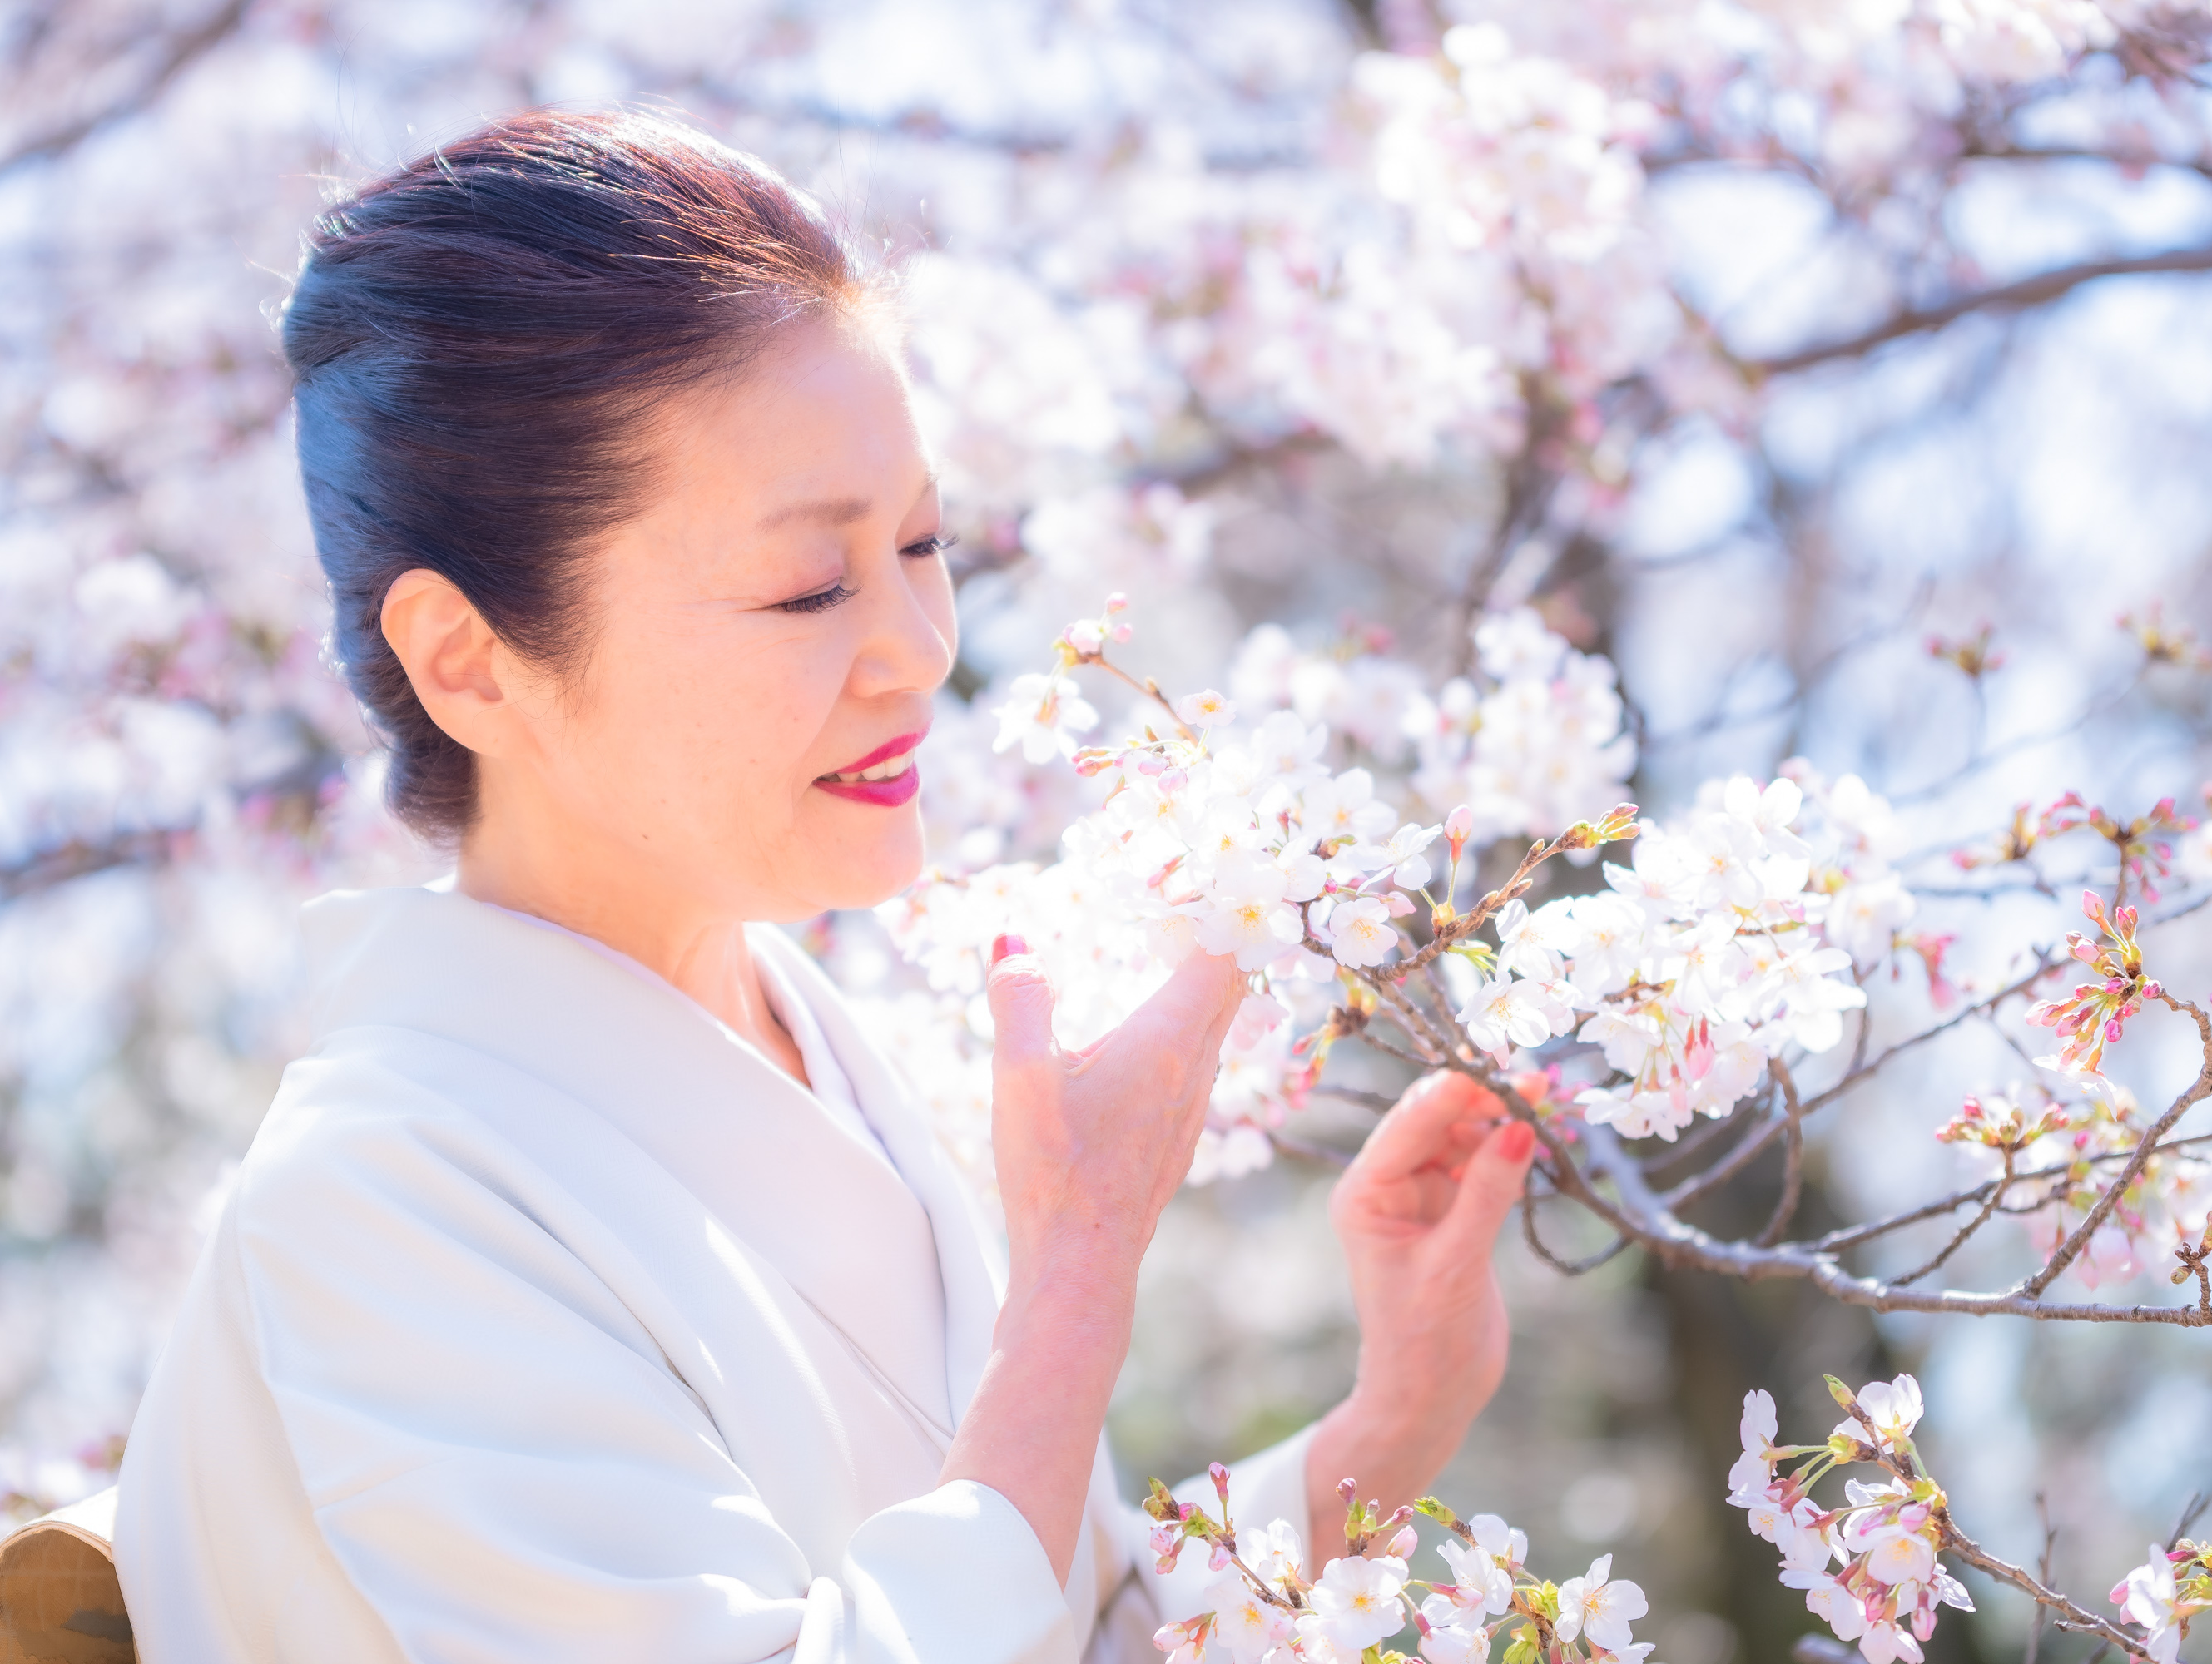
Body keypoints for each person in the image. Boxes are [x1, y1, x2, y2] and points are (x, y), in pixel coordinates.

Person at [111, 109, 1538, 1662]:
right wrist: (1074, 1282)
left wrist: (1393, 1416)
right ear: (470, 661)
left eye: (921, 542)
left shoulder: (817, 1047)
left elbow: (1068, 1621)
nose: (921, 649)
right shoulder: (383, 1192)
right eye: (809, 585)